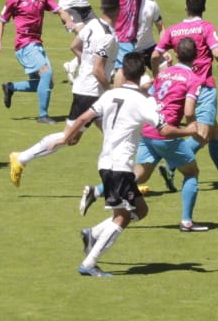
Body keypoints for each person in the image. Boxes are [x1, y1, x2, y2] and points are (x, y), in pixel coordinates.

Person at [68, 53, 195, 277]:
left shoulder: (110, 95)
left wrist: (66, 136)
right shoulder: (144, 101)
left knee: (142, 210)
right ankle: (89, 263)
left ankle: (93, 233)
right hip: (120, 166)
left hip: (106, 161)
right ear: (142, 74)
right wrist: (189, 130)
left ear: (123, 72)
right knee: (123, 216)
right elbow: (163, 130)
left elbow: (84, 116)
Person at [7, 0, 119, 187]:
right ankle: (22, 158)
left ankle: (123, 182)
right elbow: (98, 70)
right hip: (92, 94)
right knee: (74, 137)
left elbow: (75, 47)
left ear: (102, 6)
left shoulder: (93, 24)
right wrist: (111, 91)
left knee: (108, 135)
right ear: (119, 10)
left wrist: (84, 65)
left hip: (84, 88)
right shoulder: (109, 36)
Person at [153, 0, 218, 188]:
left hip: (181, 87)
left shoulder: (173, 30)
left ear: (186, 6)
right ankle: (171, 165)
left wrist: (157, 75)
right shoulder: (206, 27)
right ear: (204, 7)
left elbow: (155, 55)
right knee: (202, 134)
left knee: (214, 133)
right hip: (202, 88)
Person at [135, 36, 209, 231]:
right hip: (166, 134)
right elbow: (189, 111)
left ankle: (96, 190)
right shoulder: (193, 79)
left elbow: (149, 94)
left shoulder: (164, 73)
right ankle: (187, 221)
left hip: (148, 129)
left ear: (176, 54)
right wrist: (192, 129)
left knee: (139, 176)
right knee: (192, 172)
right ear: (197, 56)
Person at [0, 0, 77, 123]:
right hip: (24, 45)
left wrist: (67, 20)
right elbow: (1, 22)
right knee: (46, 73)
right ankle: (43, 115)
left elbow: (60, 11)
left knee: (47, 83)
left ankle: (11, 87)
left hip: (37, 45)